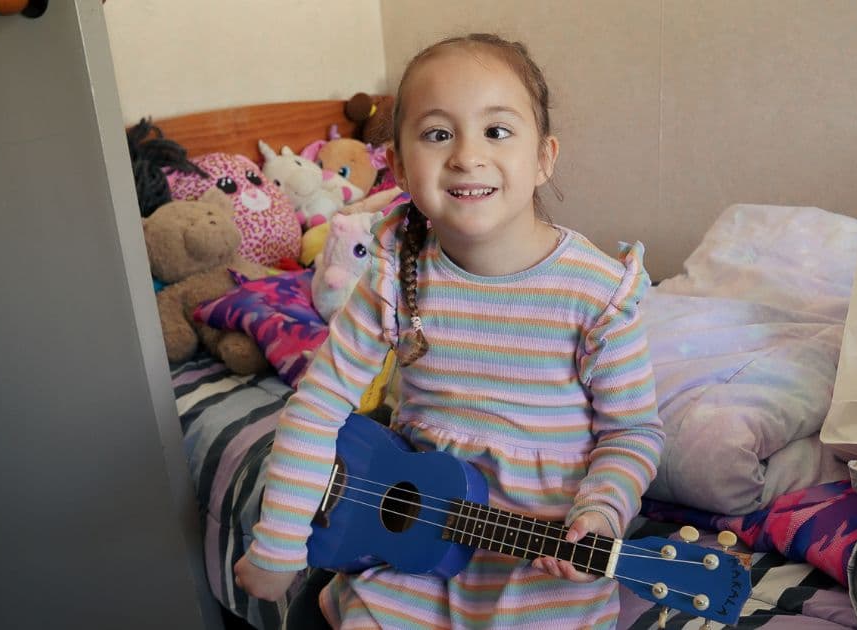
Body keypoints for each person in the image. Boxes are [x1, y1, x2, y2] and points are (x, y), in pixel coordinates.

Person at [234, 33, 664, 629]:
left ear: (544, 157)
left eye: (497, 131)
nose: (466, 155)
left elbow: (633, 431)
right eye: (438, 134)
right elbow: (315, 410)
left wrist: (604, 511)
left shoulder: (599, 294)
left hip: (536, 567)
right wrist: (278, 545)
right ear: (402, 168)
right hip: (409, 555)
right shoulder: (392, 272)